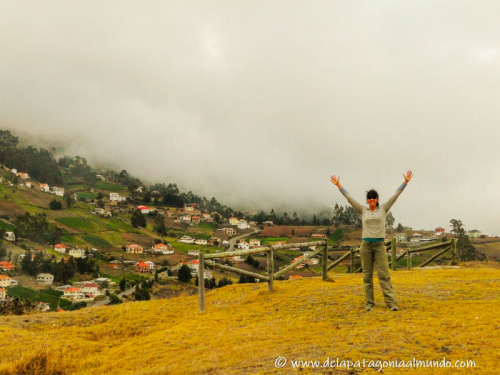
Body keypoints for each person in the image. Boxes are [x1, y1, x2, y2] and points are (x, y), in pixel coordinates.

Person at [330, 171, 413, 311]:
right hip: (366, 246)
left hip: (380, 245)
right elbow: (349, 198)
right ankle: (369, 303)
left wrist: (405, 182)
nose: (372, 200)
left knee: (384, 275)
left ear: (377, 199)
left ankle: (392, 304)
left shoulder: (384, 209)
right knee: (367, 276)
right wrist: (339, 185)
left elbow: (395, 195)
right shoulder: (363, 210)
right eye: (369, 198)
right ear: (367, 200)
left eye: (374, 198)